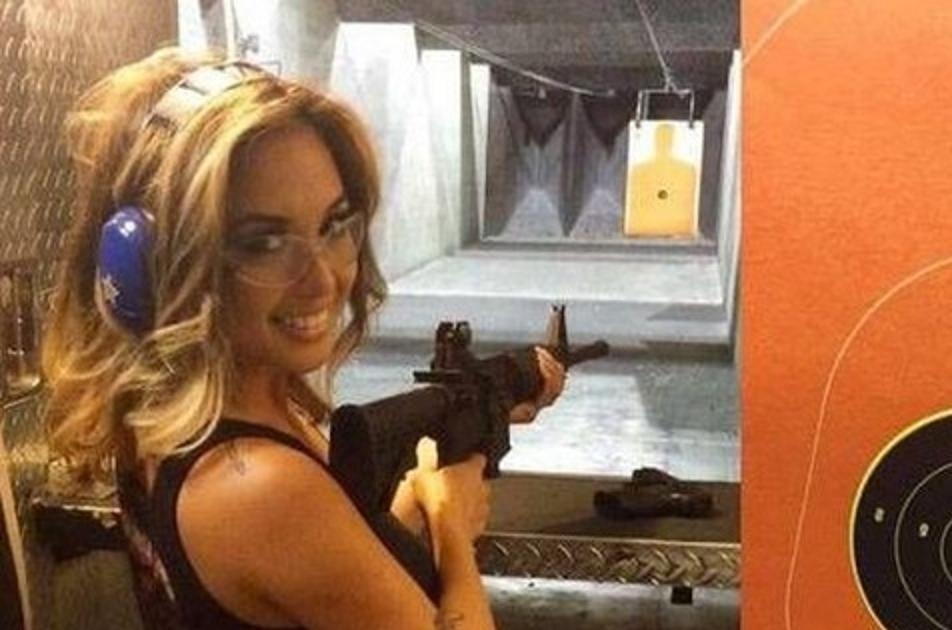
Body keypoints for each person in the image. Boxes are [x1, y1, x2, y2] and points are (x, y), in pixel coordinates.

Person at [41, 47, 565, 630]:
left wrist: (419, 501)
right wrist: (453, 531)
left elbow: (323, 578)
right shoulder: (256, 483)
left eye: (334, 225)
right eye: (264, 242)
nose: (323, 279)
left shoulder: (209, 422)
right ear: (158, 262)